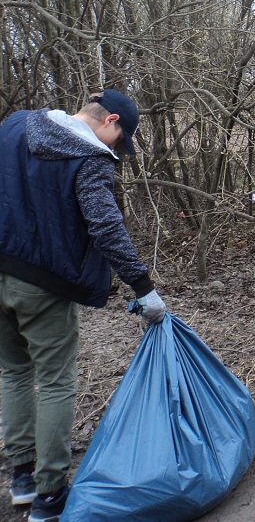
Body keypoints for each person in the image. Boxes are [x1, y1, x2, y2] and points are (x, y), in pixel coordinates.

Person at [0, 90, 168, 521]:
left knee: (14, 371)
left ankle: (21, 479)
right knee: (55, 381)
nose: (116, 147)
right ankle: (50, 494)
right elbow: (106, 227)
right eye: (119, 137)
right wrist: (143, 287)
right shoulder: (88, 157)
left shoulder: (16, 125)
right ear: (110, 120)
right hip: (41, 284)